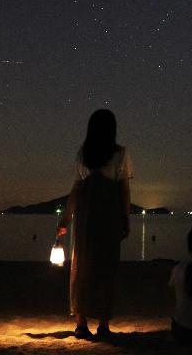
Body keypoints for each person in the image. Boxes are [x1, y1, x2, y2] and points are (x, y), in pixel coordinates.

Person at [57, 109, 133, 340]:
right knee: (106, 270)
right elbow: (124, 190)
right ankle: (103, 324)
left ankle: (80, 323)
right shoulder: (120, 154)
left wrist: (66, 220)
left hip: (86, 219)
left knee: (82, 269)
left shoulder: (83, 155)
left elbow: (76, 190)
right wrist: (126, 219)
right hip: (109, 218)